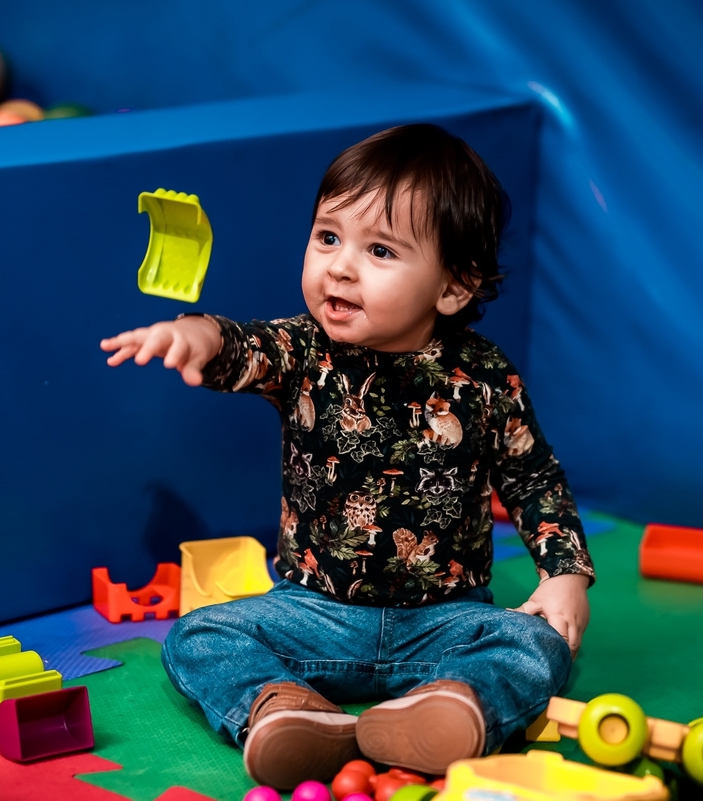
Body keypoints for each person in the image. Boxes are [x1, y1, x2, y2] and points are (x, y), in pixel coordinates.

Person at [100, 124, 594, 790]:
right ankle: (284, 709)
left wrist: (564, 574)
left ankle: (452, 706)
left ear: (453, 287)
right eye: (328, 237)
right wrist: (194, 334)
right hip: (311, 614)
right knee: (197, 635)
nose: (340, 265)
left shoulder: (482, 378)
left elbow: (533, 477)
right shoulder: (302, 351)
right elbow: (242, 345)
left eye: (381, 250)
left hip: (446, 620)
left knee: (538, 644)